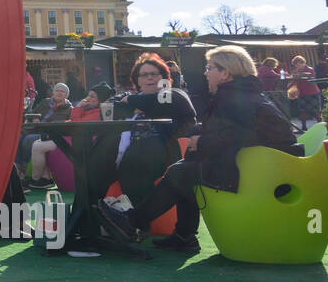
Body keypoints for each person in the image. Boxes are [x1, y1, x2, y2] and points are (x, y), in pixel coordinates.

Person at [100, 45, 299, 253]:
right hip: (264, 165)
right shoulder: (242, 93)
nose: (206, 73)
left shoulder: (235, 98)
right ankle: (184, 235)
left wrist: (201, 141)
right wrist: (200, 135)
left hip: (261, 173)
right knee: (188, 164)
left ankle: (133, 221)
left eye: (209, 68)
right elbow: (234, 129)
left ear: (225, 73)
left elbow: (239, 134)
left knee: (182, 172)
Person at [92, 53, 198, 204]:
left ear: (164, 78)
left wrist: (131, 100)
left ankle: (135, 220)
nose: (149, 78)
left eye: (154, 74)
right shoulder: (131, 97)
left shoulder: (175, 94)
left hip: (158, 153)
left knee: (136, 160)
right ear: (137, 80)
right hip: (124, 151)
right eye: (144, 75)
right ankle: (91, 215)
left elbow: (161, 102)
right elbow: (109, 109)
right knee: (93, 167)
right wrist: (136, 103)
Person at [14, 83, 72, 178]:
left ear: (66, 95)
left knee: (29, 139)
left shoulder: (69, 109)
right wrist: (34, 118)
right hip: (34, 128)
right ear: (53, 93)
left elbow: (66, 123)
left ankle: (23, 168)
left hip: (47, 132)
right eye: (57, 90)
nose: (59, 93)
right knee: (17, 138)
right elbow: (32, 113)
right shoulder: (45, 102)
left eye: (62, 91)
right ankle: (18, 166)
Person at [288, 55, 322, 130]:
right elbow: (293, 80)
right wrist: (289, 85)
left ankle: (320, 126)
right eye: (295, 64)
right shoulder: (296, 71)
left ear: (303, 62)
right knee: (302, 111)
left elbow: (311, 77)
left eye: (298, 63)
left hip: (312, 92)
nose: (297, 65)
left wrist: (300, 75)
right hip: (302, 93)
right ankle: (304, 126)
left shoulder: (310, 69)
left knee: (316, 111)